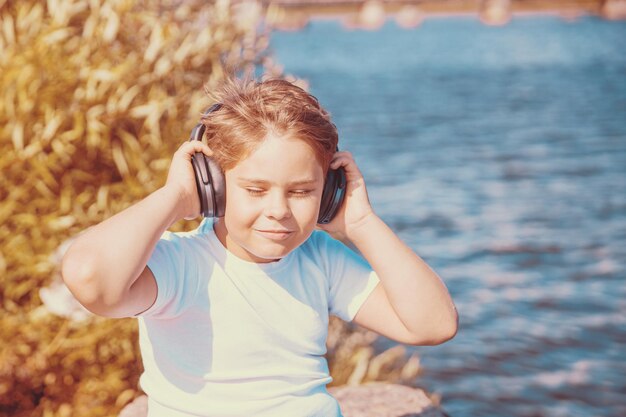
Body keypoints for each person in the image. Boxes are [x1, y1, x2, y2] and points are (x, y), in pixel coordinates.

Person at [61, 76, 458, 417]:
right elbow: (90, 280)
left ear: (330, 191)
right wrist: (176, 197)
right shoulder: (179, 265)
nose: (279, 211)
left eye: (302, 192)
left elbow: (433, 324)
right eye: (255, 190)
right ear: (211, 184)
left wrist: (362, 224)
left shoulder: (320, 258)